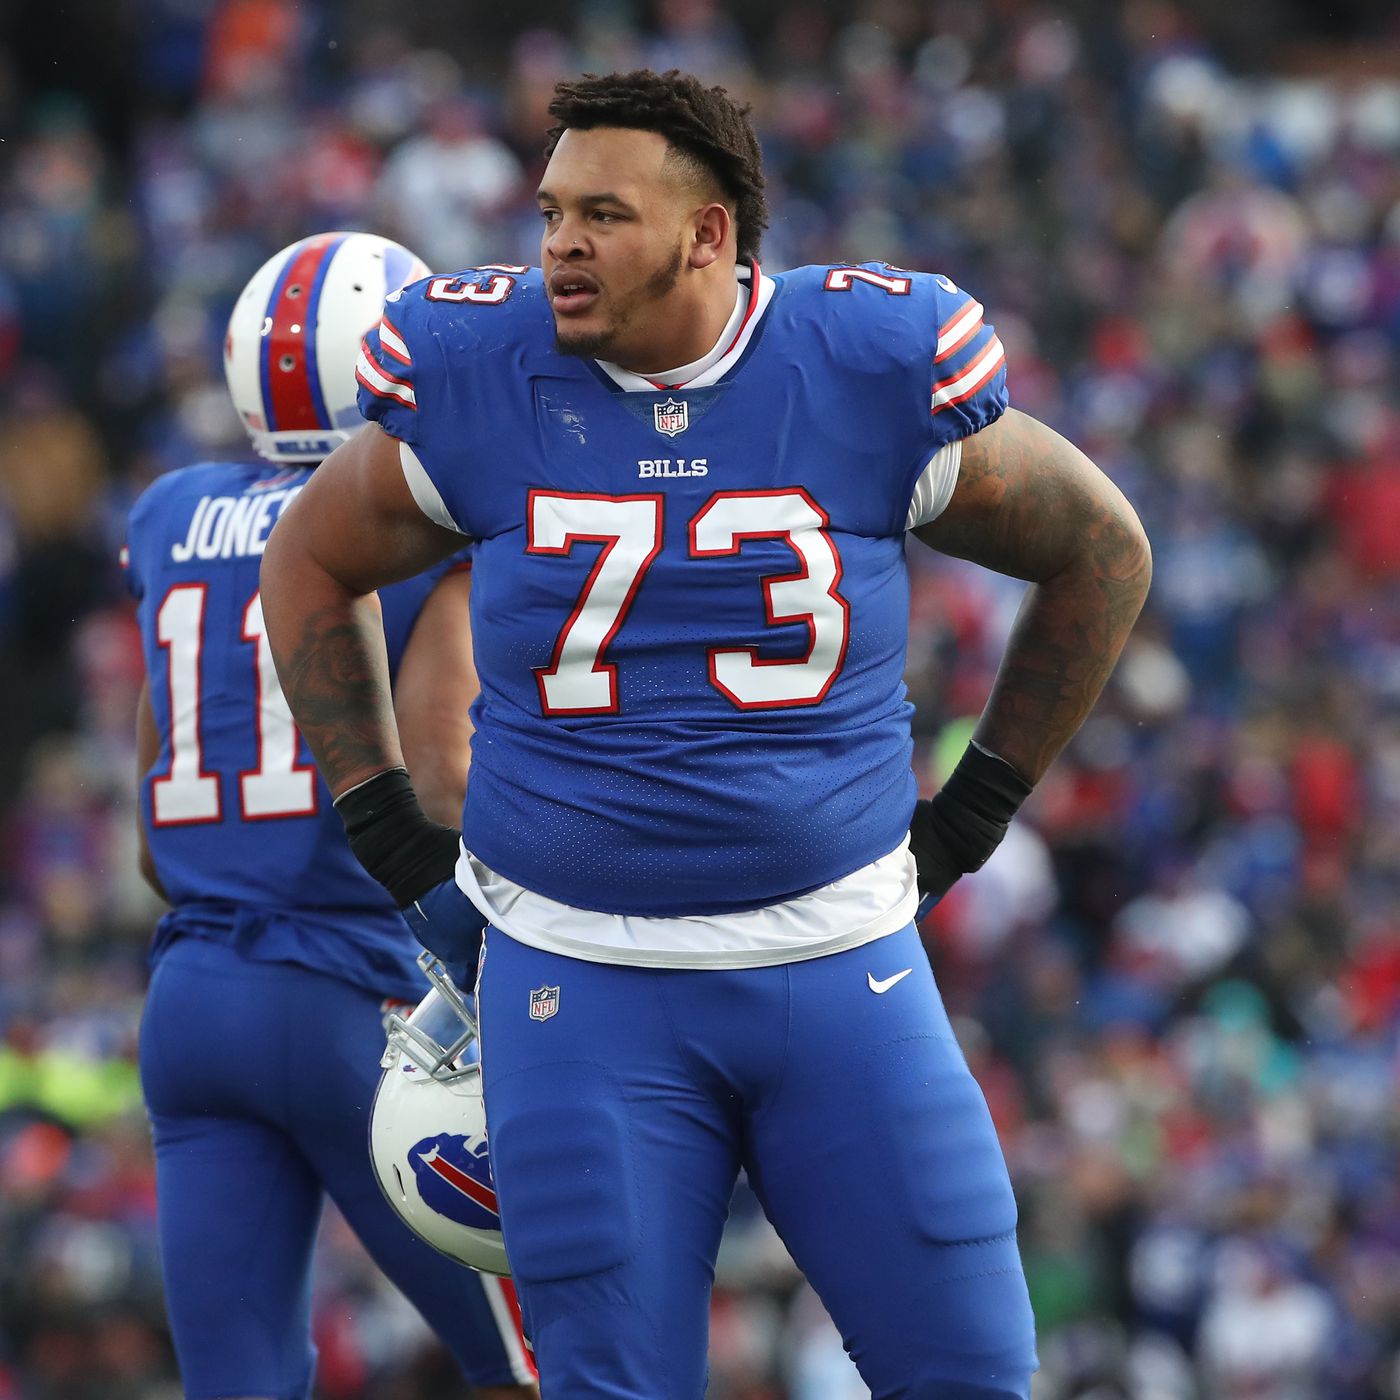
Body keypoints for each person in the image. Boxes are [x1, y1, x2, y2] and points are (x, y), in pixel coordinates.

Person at [260, 72, 1153, 1400]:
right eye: (553, 209)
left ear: (711, 236)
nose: (558, 242)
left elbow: (1101, 549)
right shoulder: (481, 373)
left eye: (603, 214)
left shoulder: (866, 369)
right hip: (582, 988)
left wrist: (974, 808)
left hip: (840, 972)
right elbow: (309, 562)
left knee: (973, 1375)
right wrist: (389, 830)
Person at [124, 231, 538, 1400]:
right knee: (537, 1355)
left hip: (193, 994)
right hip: (363, 995)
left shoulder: (171, 512)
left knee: (238, 1381)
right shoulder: (412, 525)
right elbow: (444, 778)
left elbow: (160, 775)